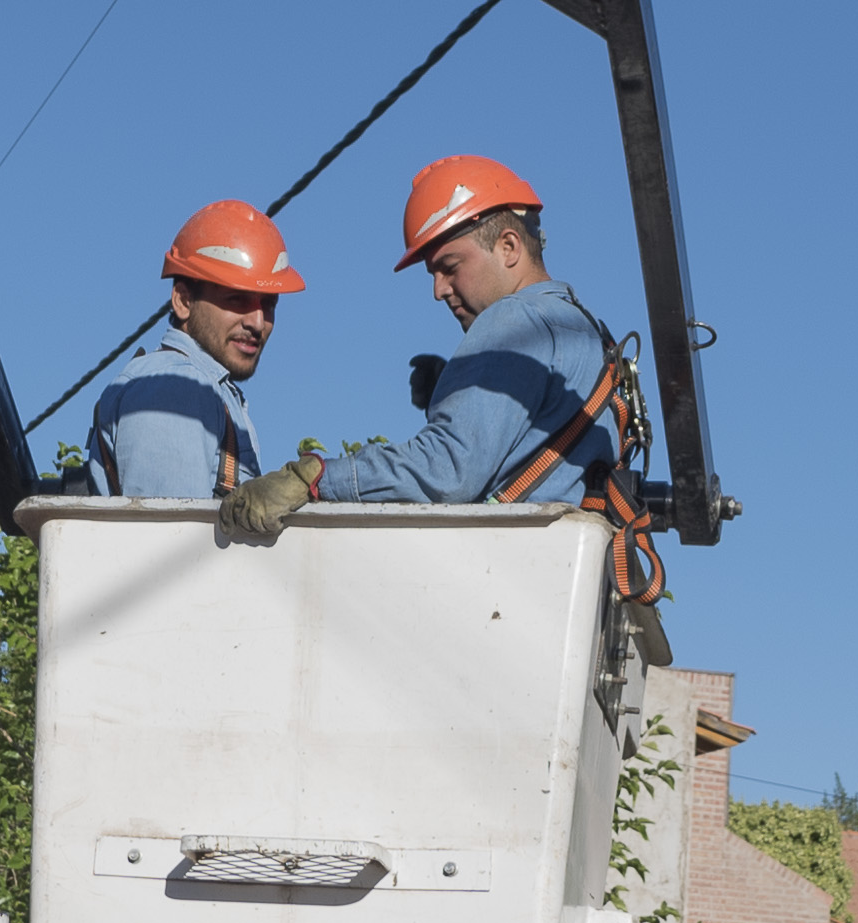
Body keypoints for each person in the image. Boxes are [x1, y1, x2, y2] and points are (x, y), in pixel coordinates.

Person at [216, 151, 670, 651]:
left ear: (509, 246)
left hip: (503, 603)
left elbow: (448, 472)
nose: (438, 290)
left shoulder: (511, 324)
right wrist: (456, 389)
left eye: (450, 268)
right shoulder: (584, 330)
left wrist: (316, 476)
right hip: (557, 608)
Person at [83, 198, 303, 497]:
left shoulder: (207, 390)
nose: (257, 321)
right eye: (236, 299)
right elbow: (171, 538)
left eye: (268, 304)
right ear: (183, 301)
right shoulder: (177, 389)